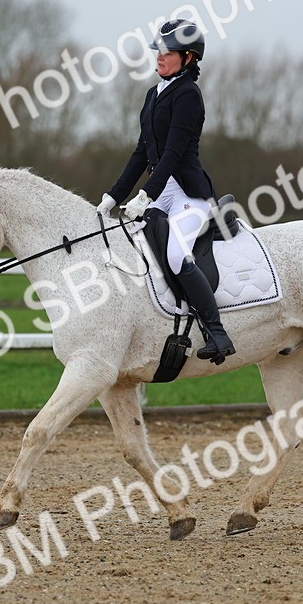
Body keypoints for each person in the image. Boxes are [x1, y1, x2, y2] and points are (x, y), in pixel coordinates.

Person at [97, 19, 235, 364]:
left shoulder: (188, 95)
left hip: (189, 194)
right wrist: (113, 197)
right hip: (162, 189)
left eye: (167, 52)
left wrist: (145, 195)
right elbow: (142, 152)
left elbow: (173, 152)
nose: (159, 57)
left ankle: (217, 332)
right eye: (158, 50)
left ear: (188, 58)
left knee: (176, 256)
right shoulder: (153, 94)